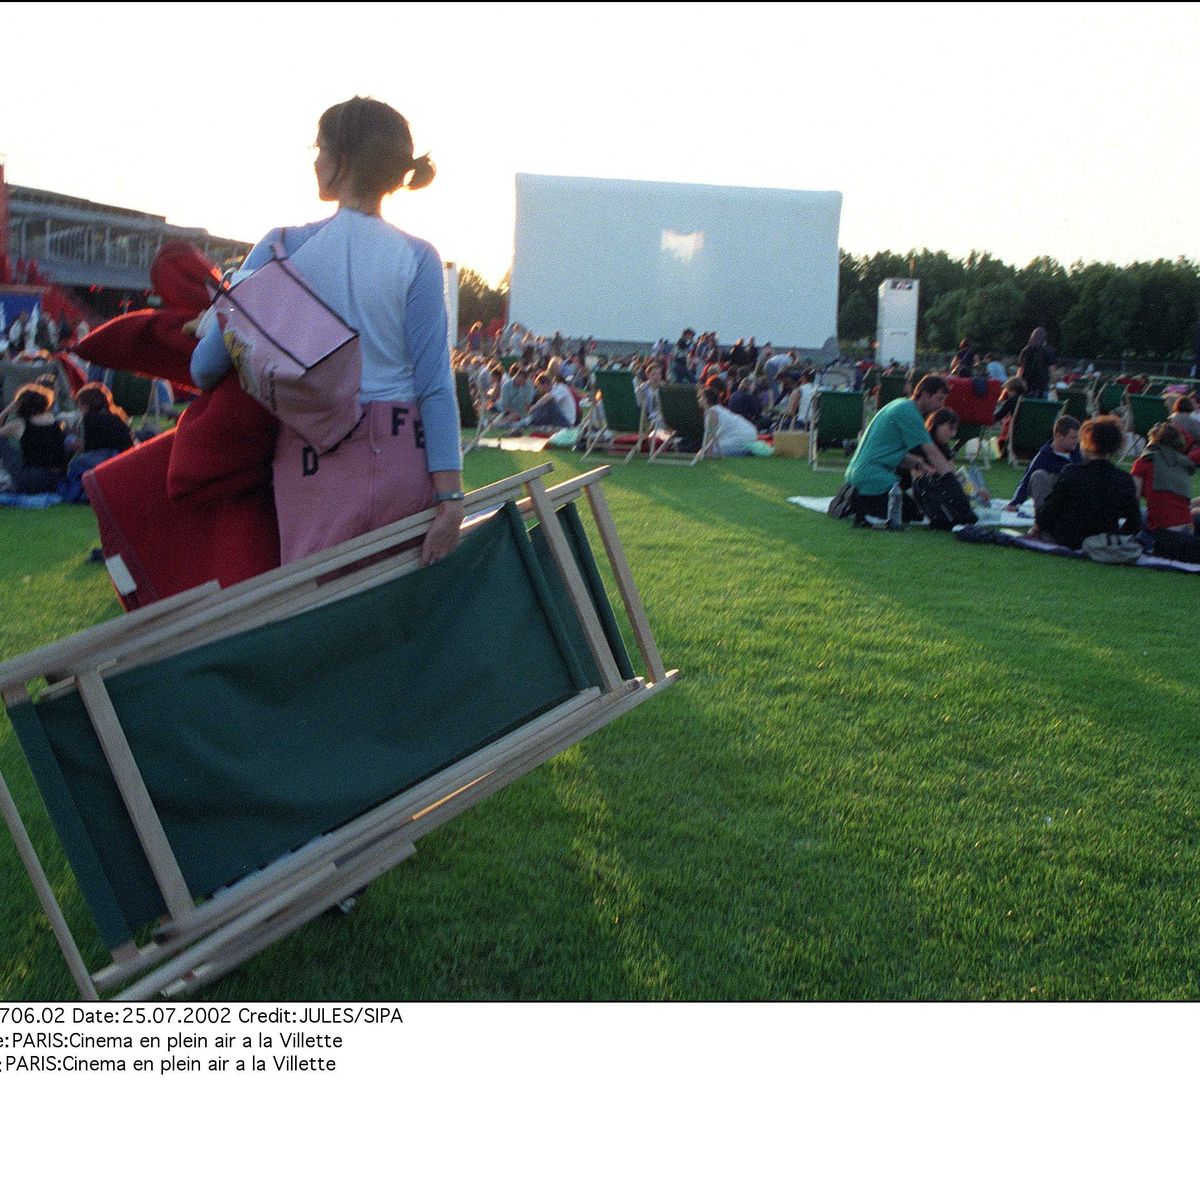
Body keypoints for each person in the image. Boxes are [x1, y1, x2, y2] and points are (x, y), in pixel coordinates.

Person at [190, 96, 462, 567]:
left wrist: (222, 304)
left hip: (316, 459)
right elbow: (435, 386)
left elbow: (205, 368)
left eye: (319, 149)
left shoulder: (280, 248)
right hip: (404, 458)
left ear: (339, 162)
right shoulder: (419, 257)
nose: (314, 160)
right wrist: (451, 498)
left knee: (323, 626)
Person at [838, 374, 957, 524]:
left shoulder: (900, 405)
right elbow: (932, 453)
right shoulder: (910, 413)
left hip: (859, 475)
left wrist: (919, 465)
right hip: (873, 479)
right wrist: (954, 485)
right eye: (939, 399)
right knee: (912, 513)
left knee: (913, 508)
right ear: (926, 395)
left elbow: (887, 452)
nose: (941, 405)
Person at [1030, 416, 1140, 549]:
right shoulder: (1123, 479)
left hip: (1067, 540)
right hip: (1102, 540)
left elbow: (1047, 514)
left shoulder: (1072, 473)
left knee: (1039, 477)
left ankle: (1037, 531)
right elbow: (1134, 522)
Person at [1130, 422, 1200, 560]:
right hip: (1186, 527)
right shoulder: (1182, 464)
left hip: (1161, 531)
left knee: (1141, 513)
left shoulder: (1144, 462)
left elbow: (1132, 499)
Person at [0, 382, 69, 493]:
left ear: (20, 404)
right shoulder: (56, 422)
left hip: (32, 480)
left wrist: (7, 411)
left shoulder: (20, 424)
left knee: (2, 441)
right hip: (56, 479)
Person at [1008, 415, 1082, 510]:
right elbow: (1026, 481)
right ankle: (1043, 517)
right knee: (1038, 476)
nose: (1076, 441)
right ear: (1059, 436)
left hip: (1076, 498)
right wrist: (1014, 503)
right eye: (1073, 438)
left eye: (1078, 438)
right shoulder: (1044, 456)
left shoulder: (1080, 453)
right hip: (1054, 498)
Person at [698, 386, 759, 457]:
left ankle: (745, 451)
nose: (699, 400)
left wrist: (704, 452)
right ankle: (747, 448)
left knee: (714, 451)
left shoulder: (712, 412)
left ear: (706, 399)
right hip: (749, 433)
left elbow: (710, 435)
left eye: (700, 398)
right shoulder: (717, 409)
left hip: (742, 436)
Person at [1016, 327, 1057, 399]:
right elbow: (1052, 372)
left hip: (1027, 385)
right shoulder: (1049, 351)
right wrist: (1053, 384)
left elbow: (1020, 370)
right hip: (1042, 386)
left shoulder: (1026, 350)